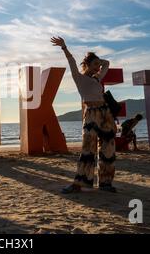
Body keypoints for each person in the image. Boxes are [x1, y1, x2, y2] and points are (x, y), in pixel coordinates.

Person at [51, 36, 117, 193]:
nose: (97, 68)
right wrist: (64, 47)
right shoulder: (78, 78)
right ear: (86, 64)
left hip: (105, 113)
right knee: (88, 149)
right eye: (94, 65)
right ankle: (79, 184)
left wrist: (99, 60)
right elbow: (72, 62)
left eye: (97, 65)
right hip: (91, 114)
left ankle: (105, 183)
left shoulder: (97, 78)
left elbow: (107, 64)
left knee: (108, 148)